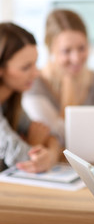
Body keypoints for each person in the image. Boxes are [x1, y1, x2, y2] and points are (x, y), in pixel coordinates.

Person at [22, 9, 94, 145]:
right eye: (66, 51)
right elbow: (62, 139)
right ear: (51, 49)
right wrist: (69, 85)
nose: (76, 59)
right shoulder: (34, 85)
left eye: (82, 48)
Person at [0, 23, 62, 173]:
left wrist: (50, 154)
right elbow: (24, 159)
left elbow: (52, 138)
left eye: (35, 64)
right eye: (26, 67)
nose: (36, 73)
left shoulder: (10, 102)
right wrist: (36, 144)